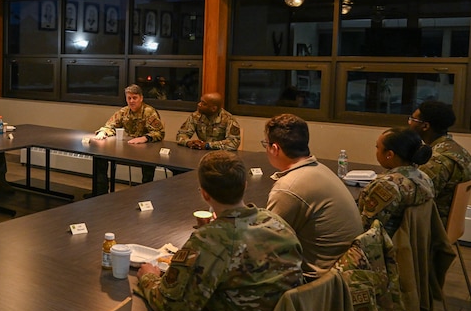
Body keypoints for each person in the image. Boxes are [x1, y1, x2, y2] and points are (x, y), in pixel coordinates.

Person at [125, 152, 303, 311]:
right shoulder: (277, 224)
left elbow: (171, 304)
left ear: (204, 194)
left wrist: (148, 277)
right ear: (244, 186)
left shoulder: (209, 239)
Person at [263, 113, 363, 278]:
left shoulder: (289, 187)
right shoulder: (320, 169)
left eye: (265, 144)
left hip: (320, 284)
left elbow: (266, 243)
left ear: (275, 149)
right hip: (346, 270)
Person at [88, 84, 164, 196]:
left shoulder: (149, 112)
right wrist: (103, 132)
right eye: (129, 98)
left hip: (145, 150)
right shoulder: (123, 112)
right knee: (100, 157)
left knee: (149, 163)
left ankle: (145, 196)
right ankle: (101, 194)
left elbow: (159, 132)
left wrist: (145, 138)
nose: (132, 101)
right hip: (127, 148)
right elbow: (110, 125)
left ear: (141, 98)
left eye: (135, 98)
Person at [357, 127, 434, 237]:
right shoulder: (425, 178)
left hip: (387, 248)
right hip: (415, 245)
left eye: (377, 147)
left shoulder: (387, 186)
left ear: (389, 154)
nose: (376, 151)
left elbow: (367, 229)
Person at [408, 100, 471, 225]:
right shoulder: (458, 150)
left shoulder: (437, 160)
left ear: (425, 126)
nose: (409, 123)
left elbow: (414, 197)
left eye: (412, 119)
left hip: (433, 226)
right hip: (451, 222)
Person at [176, 92, 241, 150]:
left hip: (221, 156)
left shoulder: (228, 119)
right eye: (200, 101)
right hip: (201, 154)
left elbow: (233, 143)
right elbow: (181, 134)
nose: (199, 104)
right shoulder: (196, 116)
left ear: (213, 108)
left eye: (203, 104)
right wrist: (189, 142)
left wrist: (208, 145)